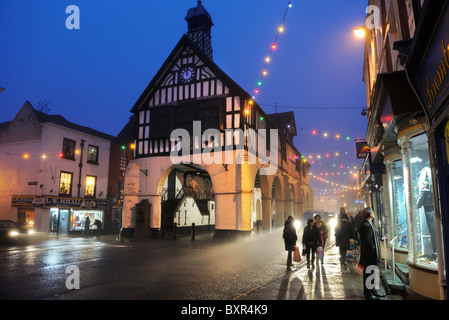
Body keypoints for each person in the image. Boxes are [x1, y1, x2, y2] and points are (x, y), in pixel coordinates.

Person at [359, 207, 385, 300]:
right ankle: (368, 294)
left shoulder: (369, 224)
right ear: (370, 214)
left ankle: (374, 291)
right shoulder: (366, 225)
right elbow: (368, 242)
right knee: (369, 273)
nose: (373, 213)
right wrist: (374, 252)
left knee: (374, 273)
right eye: (372, 212)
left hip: (373, 254)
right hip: (370, 255)